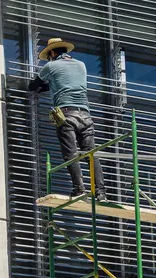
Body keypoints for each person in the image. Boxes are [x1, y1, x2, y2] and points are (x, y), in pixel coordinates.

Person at [28, 38, 107, 202]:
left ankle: (79, 190)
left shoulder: (51, 66)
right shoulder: (81, 65)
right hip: (85, 115)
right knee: (91, 154)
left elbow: (35, 85)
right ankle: (100, 193)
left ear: (51, 52)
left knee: (70, 154)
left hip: (67, 114)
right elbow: (65, 83)